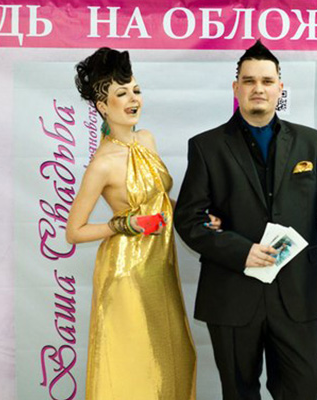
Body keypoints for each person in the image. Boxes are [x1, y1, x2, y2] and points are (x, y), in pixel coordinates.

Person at [174, 40, 317, 400]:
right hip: (232, 292)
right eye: (249, 81)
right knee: (239, 394)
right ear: (236, 88)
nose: (258, 88)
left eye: (267, 81)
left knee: (306, 385)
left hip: (297, 292)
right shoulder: (206, 147)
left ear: (279, 88)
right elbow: (189, 219)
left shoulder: (309, 142)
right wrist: (240, 250)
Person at [65, 47, 214, 399]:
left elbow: (159, 201)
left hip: (159, 265)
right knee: (136, 364)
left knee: (175, 357)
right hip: (125, 272)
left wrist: (195, 215)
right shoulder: (102, 164)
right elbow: (74, 231)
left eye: (136, 90)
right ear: (103, 106)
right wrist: (124, 225)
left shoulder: (147, 139)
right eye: (122, 93)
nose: (133, 99)